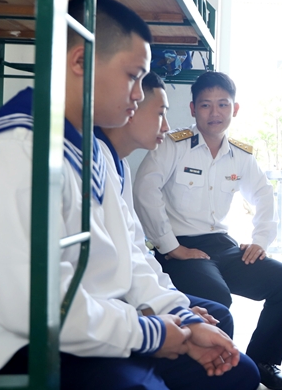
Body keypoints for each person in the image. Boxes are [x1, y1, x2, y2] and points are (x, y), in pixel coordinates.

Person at [0, 0, 259, 390]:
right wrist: (152, 333)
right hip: (10, 350)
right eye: (133, 76)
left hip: (91, 327)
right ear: (80, 62)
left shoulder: (91, 151)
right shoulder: (13, 151)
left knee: (238, 372)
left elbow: (132, 255)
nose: (139, 94)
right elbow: (34, 308)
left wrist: (183, 319)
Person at [134, 71, 282, 390]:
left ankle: (262, 363)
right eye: (206, 105)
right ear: (193, 109)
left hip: (223, 246)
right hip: (181, 249)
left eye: (223, 105)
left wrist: (260, 240)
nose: (215, 113)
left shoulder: (240, 155)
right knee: (217, 297)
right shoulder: (173, 145)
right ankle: (216, 374)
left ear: (234, 109)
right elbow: (146, 189)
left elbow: (264, 194)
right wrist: (171, 246)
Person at [96, 71, 241, 339]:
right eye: (160, 114)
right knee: (218, 313)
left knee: (223, 314)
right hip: (108, 305)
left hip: (214, 245)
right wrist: (169, 312)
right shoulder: (98, 161)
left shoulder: (120, 164)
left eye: (223, 104)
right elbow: (121, 261)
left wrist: (175, 306)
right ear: (130, 108)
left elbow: (137, 249)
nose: (166, 126)